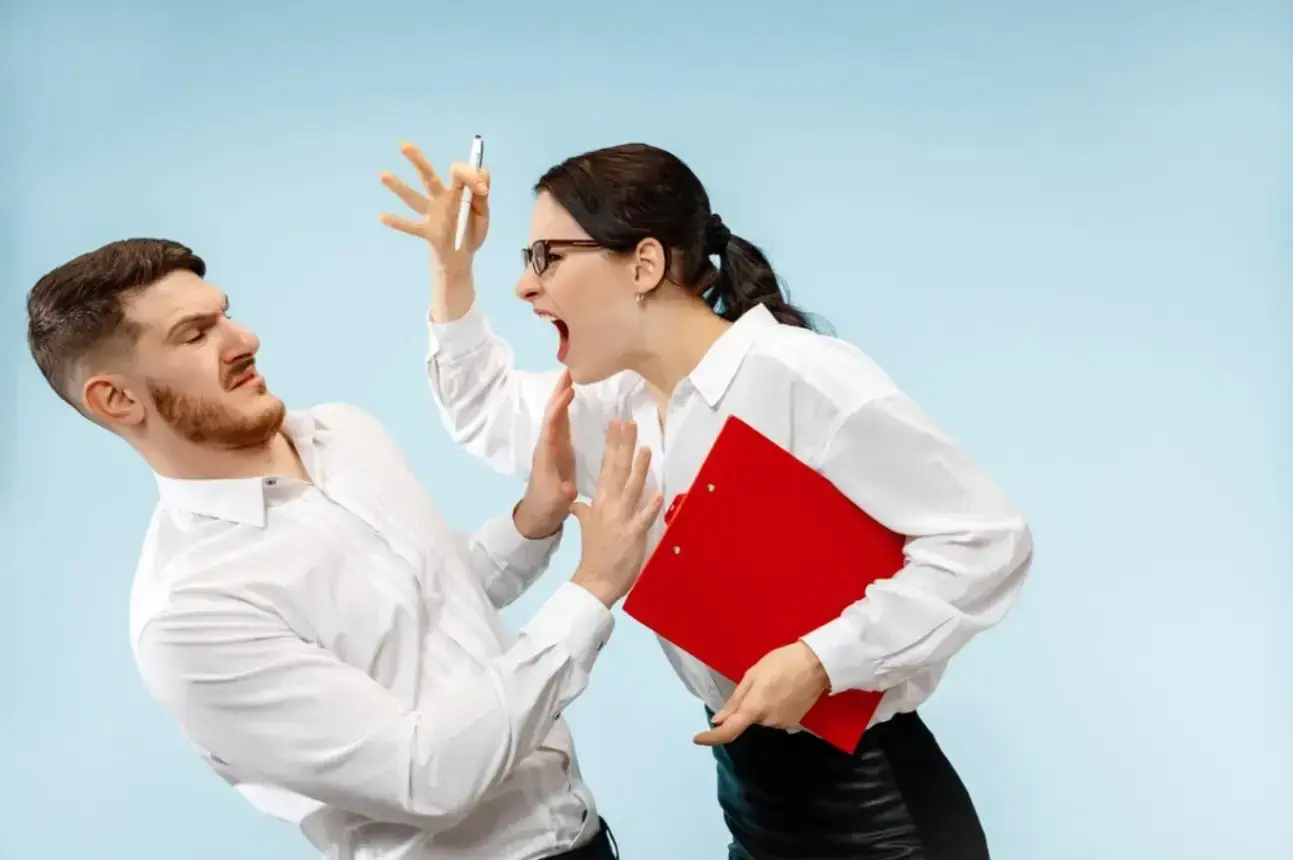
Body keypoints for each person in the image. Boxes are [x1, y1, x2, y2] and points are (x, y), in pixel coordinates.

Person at [378, 141, 1036, 859]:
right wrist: (451, 266)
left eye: (547, 258)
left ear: (644, 264)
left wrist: (822, 660)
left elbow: (986, 539)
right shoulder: (616, 406)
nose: (525, 287)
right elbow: (483, 409)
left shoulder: (794, 374)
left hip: (873, 813)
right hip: (752, 797)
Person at [24, 238, 666, 860]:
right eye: (195, 335)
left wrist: (535, 515)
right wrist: (593, 589)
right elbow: (425, 776)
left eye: (225, 314)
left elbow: (427, 606)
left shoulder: (341, 432)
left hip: (582, 832)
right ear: (116, 398)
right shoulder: (191, 615)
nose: (244, 340)